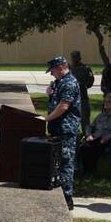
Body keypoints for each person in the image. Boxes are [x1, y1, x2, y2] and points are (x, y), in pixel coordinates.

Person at [44, 56, 81, 208]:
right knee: (57, 163)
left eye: (52, 70)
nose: (51, 74)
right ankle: (58, 194)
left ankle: (67, 198)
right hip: (57, 128)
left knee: (66, 163)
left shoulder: (70, 83)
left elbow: (64, 106)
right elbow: (56, 102)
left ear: (60, 67)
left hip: (66, 129)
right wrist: (50, 93)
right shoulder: (60, 82)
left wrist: (47, 119)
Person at [78, 93, 111, 176]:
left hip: (109, 139)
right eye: (105, 101)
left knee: (95, 147)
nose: (105, 103)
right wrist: (88, 135)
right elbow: (90, 126)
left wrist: (108, 137)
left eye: (108, 102)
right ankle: (86, 170)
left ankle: (90, 171)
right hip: (95, 137)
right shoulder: (101, 116)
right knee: (84, 146)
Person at [69, 51, 95, 129]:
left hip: (82, 97)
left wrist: (82, 84)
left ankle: (86, 136)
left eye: (75, 57)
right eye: (72, 58)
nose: (73, 59)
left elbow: (90, 81)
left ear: (79, 58)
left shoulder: (86, 68)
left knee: (85, 120)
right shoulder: (69, 69)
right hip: (71, 98)